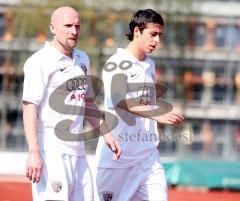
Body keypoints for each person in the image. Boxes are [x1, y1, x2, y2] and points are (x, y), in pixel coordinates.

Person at [22, 6, 121, 201]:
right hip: (50, 149)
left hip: (78, 151)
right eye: (68, 26)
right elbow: (29, 108)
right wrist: (34, 152)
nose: (74, 31)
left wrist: (107, 135)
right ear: (53, 28)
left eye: (77, 26)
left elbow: (88, 103)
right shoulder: (39, 62)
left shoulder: (82, 58)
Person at [96, 9, 184, 201]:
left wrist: (163, 109)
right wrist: (156, 114)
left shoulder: (149, 64)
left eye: (160, 35)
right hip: (117, 159)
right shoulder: (117, 63)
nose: (157, 41)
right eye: (153, 34)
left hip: (147, 158)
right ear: (137, 31)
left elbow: (144, 101)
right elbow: (120, 100)